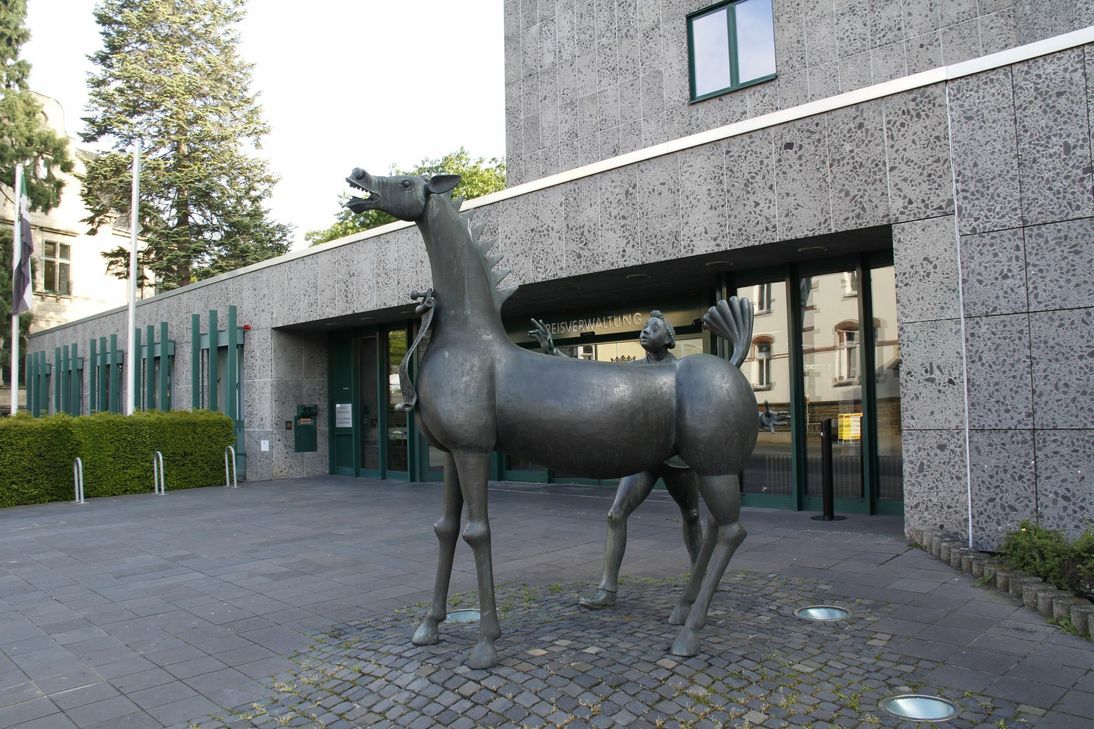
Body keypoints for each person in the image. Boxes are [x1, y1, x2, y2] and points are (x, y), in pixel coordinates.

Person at [529, 311, 702, 609]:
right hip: (643, 459)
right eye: (645, 326)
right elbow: (593, 374)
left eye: (654, 327)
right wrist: (554, 352)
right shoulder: (632, 371)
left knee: (692, 516)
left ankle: (702, 578)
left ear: (670, 339)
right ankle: (607, 590)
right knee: (616, 514)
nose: (646, 330)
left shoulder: (683, 373)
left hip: (677, 459)